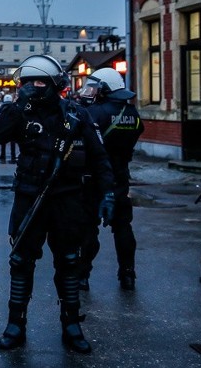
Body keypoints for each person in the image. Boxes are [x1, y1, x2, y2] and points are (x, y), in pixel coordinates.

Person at [0, 55, 115, 354]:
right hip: (29, 197)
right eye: (28, 81)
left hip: (67, 198)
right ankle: (15, 323)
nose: (34, 86)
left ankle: (71, 324)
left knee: (69, 261)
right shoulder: (20, 112)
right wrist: (19, 104)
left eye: (40, 81)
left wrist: (108, 194)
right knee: (21, 262)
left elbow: (99, 158)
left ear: (56, 83)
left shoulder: (76, 114)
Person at [78, 68, 144, 291]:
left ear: (105, 90)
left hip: (95, 178)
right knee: (123, 227)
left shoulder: (95, 113)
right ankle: (128, 274)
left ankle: (83, 275)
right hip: (120, 177)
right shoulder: (132, 112)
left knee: (89, 228)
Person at [0, 94, 17, 164]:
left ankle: (3, 155)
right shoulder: (14, 106)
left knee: (3, 141)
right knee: (12, 143)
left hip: (4, 127)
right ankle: (13, 157)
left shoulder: (2, 107)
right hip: (12, 127)